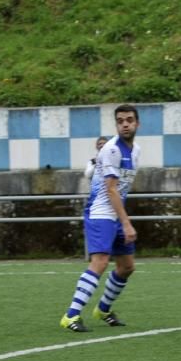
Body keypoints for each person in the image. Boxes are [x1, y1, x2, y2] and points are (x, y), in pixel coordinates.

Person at [61, 105, 141, 332]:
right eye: (120, 121)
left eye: (129, 120)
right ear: (116, 125)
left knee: (126, 267)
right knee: (101, 262)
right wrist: (126, 222)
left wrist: (122, 218)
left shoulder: (136, 150)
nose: (125, 124)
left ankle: (103, 309)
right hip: (100, 213)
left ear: (137, 124)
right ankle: (71, 315)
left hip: (116, 213)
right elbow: (112, 190)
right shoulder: (111, 149)